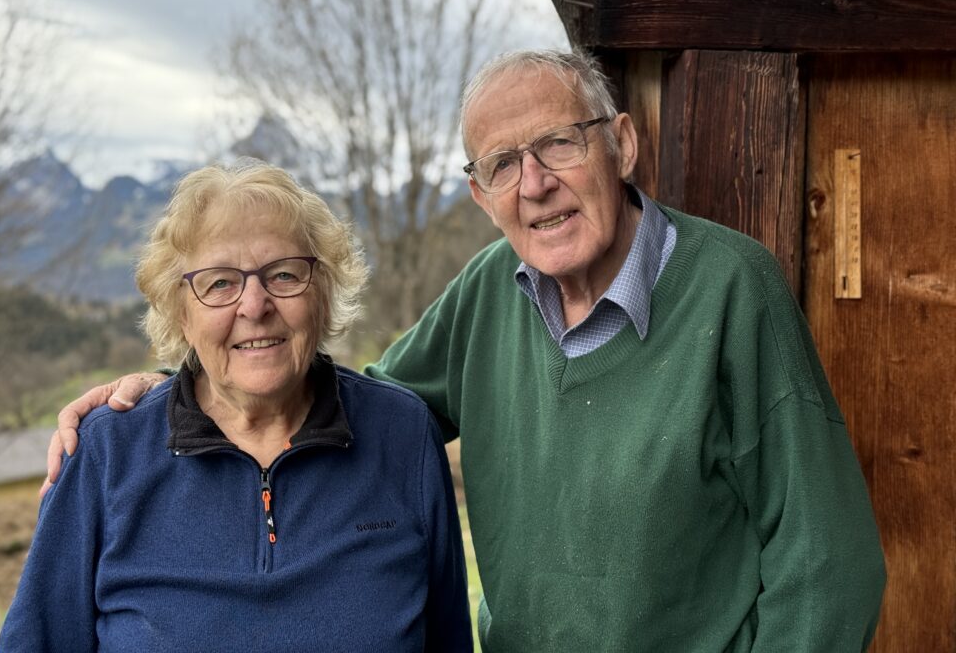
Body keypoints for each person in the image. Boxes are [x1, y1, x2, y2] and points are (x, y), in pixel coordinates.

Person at [45, 50, 887, 652]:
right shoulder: (490, 292)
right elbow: (344, 404)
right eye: (502, 164)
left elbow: (831, 563)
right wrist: (186, 386)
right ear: (482, 196)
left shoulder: (734, 289)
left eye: (560, 143)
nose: (536, 183)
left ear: (622, 144)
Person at [2, 161, 472, 652]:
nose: (254, 305)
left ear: (324, 292)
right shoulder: (105, 453)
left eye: (284, 274)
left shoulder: (402, 434)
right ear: (181, 314)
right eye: (220, 283)